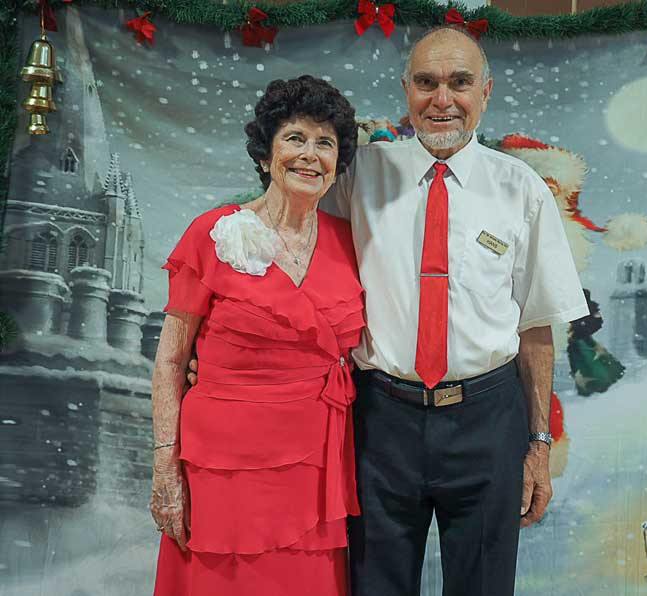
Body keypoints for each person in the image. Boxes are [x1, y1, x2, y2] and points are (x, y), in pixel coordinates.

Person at [331, 27, 589, 596]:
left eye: (460, 82)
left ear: (485, 92)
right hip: (379, 421)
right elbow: (290, 236)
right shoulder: (357, 176)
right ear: (406, 89)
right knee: (372, 586)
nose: (442, 99)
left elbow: (536, 327)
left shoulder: (522, 189)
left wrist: (539, 443)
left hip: (487, 419)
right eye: (426, 82)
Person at [149, 75, 363, 596]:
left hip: (317, 469)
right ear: (266, 156)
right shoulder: (212, 234)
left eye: (325, 143)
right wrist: (165, 467)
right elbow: (171, 362)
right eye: (295, 138)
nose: (310, 155)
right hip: (223, 468)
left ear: (337, 163)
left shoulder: (353, 242)